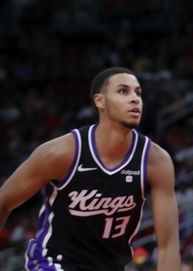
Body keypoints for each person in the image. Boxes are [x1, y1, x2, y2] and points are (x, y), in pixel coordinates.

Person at [0, 67, 180, 270]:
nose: (135, 99)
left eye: (138, 93)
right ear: (100, 101)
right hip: (54, 262)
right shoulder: (60, 153)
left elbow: (168, 244)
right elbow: (3, 201)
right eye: (123, 91)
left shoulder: (156, 161)